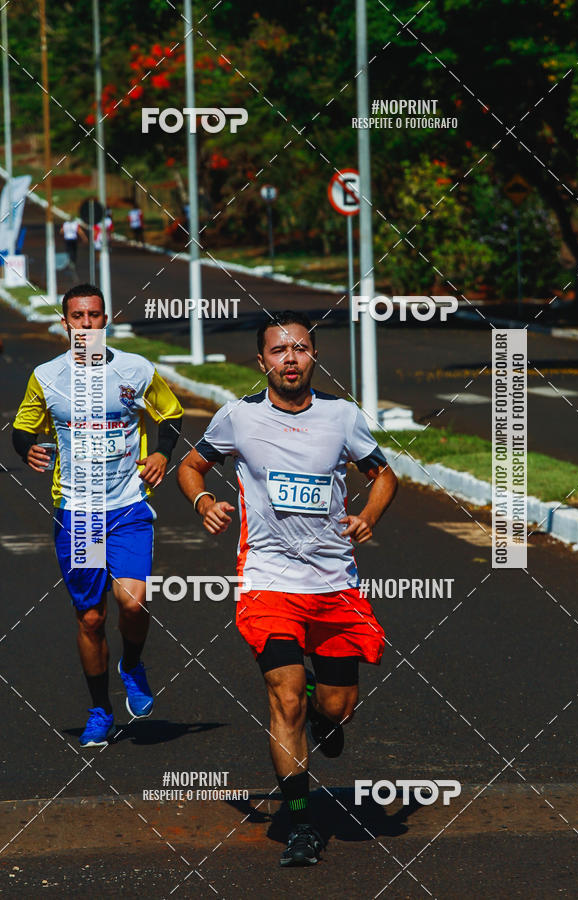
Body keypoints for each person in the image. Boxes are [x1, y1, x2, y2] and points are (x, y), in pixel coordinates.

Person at [177, 310, 397, 867]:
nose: (290, 359)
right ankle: (300, 820)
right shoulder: (238, 417)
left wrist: (369, 515)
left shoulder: (342, 416)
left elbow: (384, 475)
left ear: (313, 355)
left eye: (299, 348)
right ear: (262, 361)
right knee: (286, 696)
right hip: (268, 580)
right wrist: (203, 500)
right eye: (279, 350)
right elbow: (191, 466)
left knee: (337, 707)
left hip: (333, 584)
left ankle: (327, 715)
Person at [12, 284, 184, 748]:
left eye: (94, 315)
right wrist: (28, 449)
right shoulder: (47, 377)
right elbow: (22, 429)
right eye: (77, 316)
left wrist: (163, 454)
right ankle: (100, 710)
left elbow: (170, 415)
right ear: (65, 323)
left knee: (133, 602)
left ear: (106, 320)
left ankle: (132, 664)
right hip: (78, 512)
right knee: (90, 618)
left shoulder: (136, 369)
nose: (86, 324)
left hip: (127, 505)